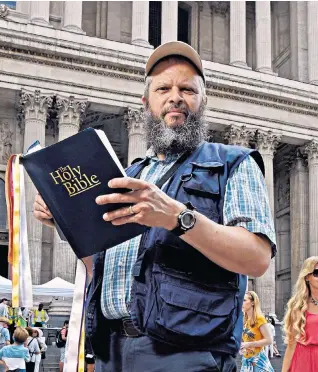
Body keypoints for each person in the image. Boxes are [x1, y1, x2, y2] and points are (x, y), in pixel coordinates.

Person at [33, 41, 276, 371]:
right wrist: (64, 219)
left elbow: (257, 257)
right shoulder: (124, 176)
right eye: (164, 88)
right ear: (146, 103)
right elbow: (101, 269)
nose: (175, 96)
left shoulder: (233, 164)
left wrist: (178, 217)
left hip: (187, 354)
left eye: (187, 89)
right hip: (111, 352)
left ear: (203, 101)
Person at [240, 291, 274, 372]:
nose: (241, 302)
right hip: (246, 360)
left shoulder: (259, 319)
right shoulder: (245, 319)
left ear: (252, 302)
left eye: (244, 300)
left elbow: (269, 340)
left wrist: (250, 344)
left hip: (258, 360)